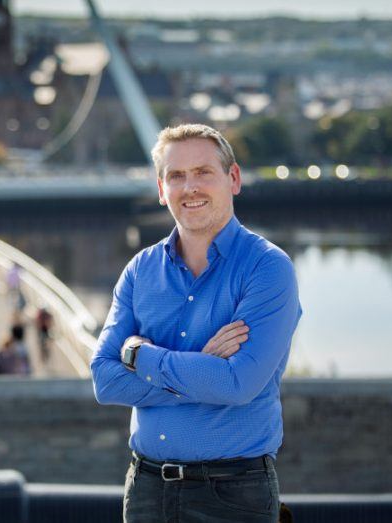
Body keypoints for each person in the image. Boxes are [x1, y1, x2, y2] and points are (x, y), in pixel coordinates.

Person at [90, 124, 301, 523]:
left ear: (233, 178)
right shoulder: (140, 271)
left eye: (204, 172)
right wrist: (201, 365)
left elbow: (238, 384)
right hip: (146, 490)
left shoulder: (268, 268)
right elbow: (105, 381)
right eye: (176, 176)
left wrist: (141, 356)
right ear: (161, 188)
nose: (190, 188)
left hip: (234, 495)